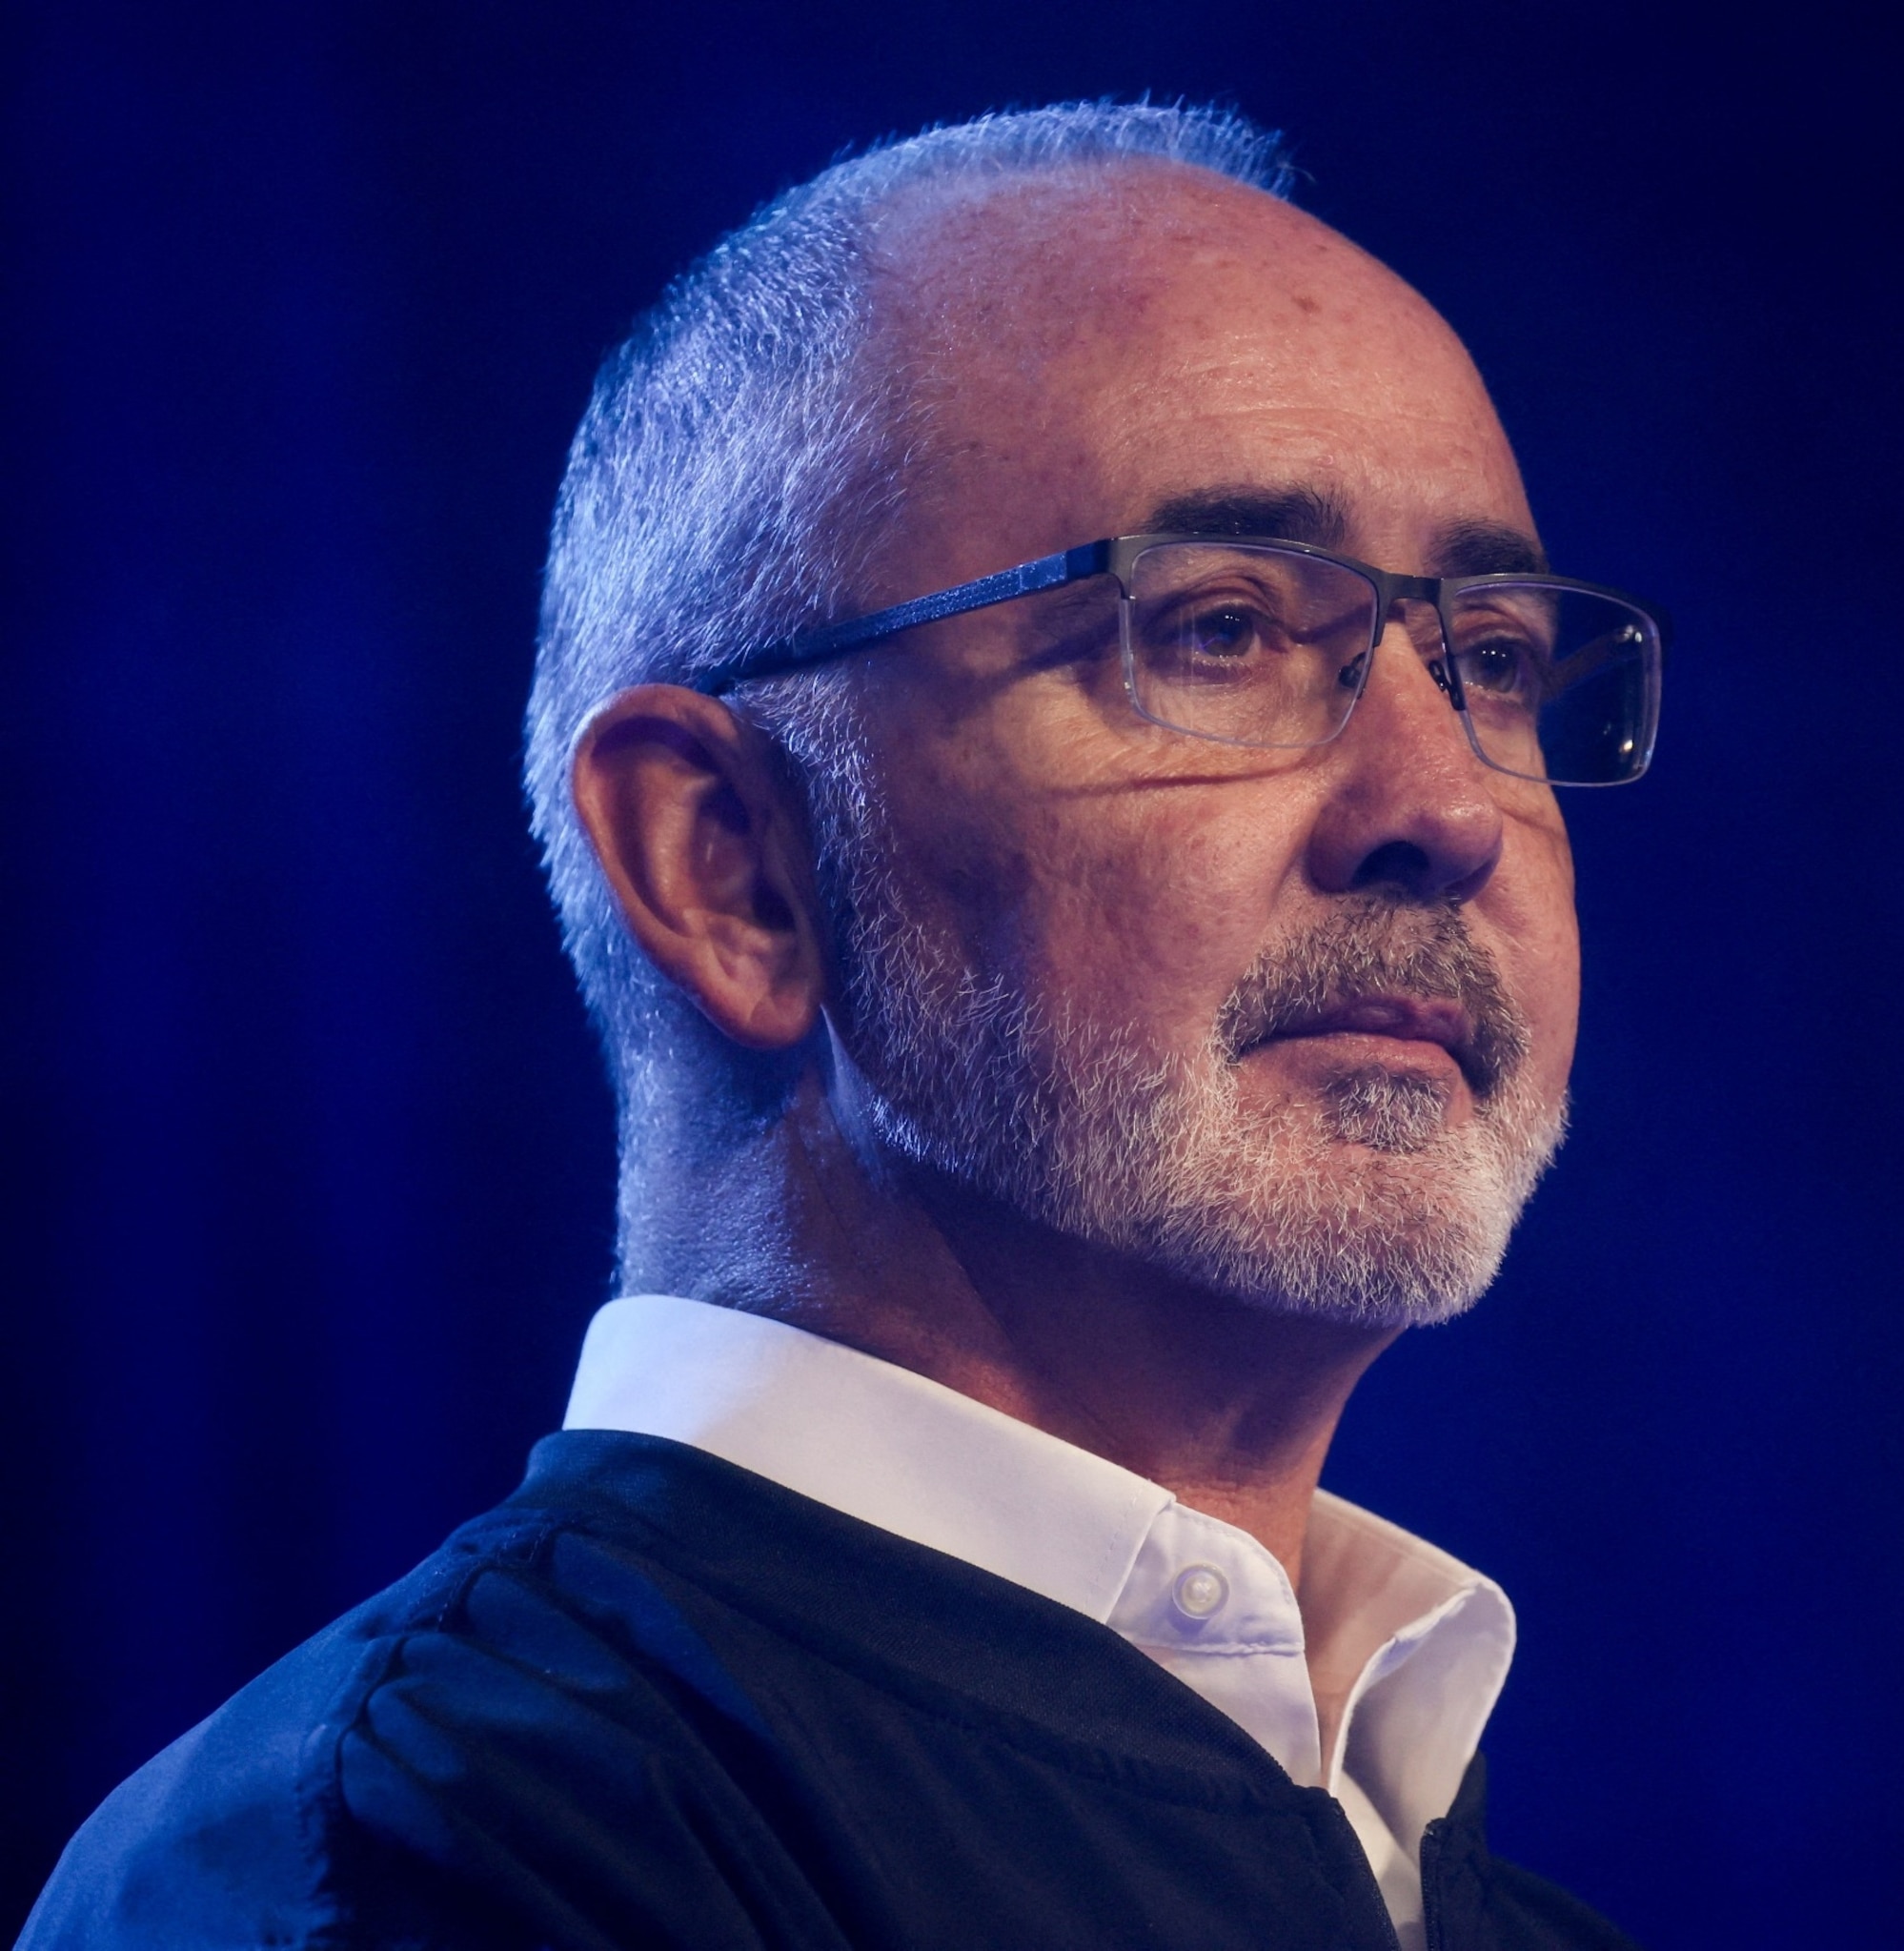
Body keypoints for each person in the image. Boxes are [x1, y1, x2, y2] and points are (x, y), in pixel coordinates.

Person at [18, 103, 1661, 1951]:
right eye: (1220, 629)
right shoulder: (436, 1857)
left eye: (1500, 663)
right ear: (730, 866)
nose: (1444, 802)